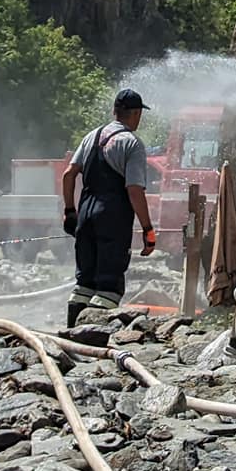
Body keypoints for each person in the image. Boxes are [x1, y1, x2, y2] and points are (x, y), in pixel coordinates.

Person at [59, 89, 157, 329]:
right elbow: (134, 190)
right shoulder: (132, 144)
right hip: (112, 218)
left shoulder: (91, 137)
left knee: (85, 281)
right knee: (108, 284)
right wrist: (147, 228)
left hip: (85, 215)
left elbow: (69, 175)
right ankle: (95, 336)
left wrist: (70, 211)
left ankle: (72, 333)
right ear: (136, 114)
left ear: (115, 111)